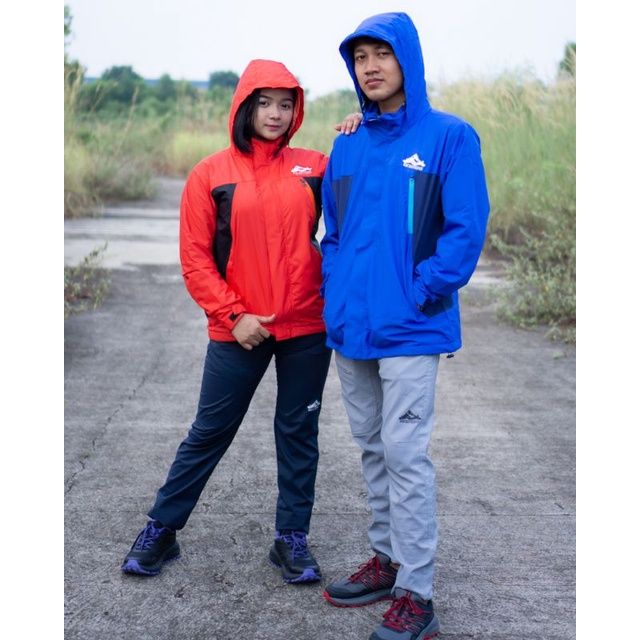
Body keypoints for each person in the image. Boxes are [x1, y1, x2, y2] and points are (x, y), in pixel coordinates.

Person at [121, 59, 361, 584]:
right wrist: (233, 316)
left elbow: (365, 176)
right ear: (244, 107)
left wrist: (363, 124)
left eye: (286, 104)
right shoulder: (210, 174)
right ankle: (161, 529)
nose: (275, 114)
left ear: (297, 110)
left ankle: (291, 539)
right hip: (238, 329)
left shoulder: (315, 166)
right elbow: (195, 260)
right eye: (265, 103)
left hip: (306, 327)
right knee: (210, 430)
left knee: (298, 433)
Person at [320, 12, 490, 640]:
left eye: (382, 54)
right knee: (371, 447)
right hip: (352, 326)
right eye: (360, 57)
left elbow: (465, 230)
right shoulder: (348, 142)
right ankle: (387, 559)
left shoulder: (449, 136)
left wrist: (421, 292)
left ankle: (418, 594)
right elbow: (333, 233)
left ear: (407, 60)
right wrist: (336, 291)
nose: (370, 66)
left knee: (405, 454)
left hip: (412, 328)